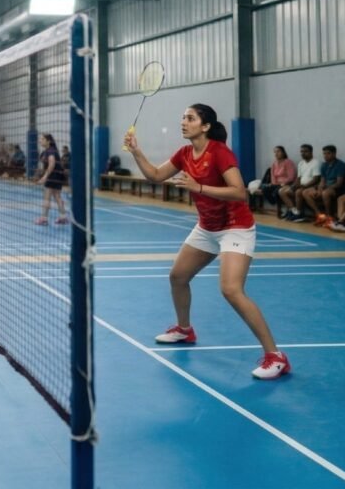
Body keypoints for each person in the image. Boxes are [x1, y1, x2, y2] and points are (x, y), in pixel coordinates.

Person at [123, 103, 289, 380]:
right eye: (183, 118)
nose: (183, 122)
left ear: (206, 125)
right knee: (177, 276)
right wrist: (136, 151)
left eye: (190, 118)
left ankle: (276, 356)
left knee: (231, 290)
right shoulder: (185, 153)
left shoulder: (219, 152)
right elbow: (154, 175)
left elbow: (240, 193)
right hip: (207, 227)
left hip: (235, 227)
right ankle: (185, 330)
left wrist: (197, 188)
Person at [301, 145, 345, 226]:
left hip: (340, 190)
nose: (325, 156)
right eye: (324, 154)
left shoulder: (340, 165)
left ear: (334, 154)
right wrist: (319, 189)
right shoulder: (324, 165)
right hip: (327, 188)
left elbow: (339, 184)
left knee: (325, 193)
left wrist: (323, 190)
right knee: (305, 192)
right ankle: (320, 215)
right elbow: (322, 181)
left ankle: (329, 216)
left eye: (328, 153)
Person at [35, 133, 69, 225]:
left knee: (47, 197)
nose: (40, 140)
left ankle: (44, 219)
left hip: (53, 176)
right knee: (57, 197)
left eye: (42, 139)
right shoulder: (48, 151)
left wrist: (45, 177)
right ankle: (63, 217)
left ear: (48, 141)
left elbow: (52, 163)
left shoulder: (50, 151)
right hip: (58, 175)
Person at [280, 144, 320, 222]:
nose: (303, 153)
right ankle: (293, 211)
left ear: (311, 152)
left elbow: (316, 179)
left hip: (311, 186)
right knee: (282, 191)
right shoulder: (301, 163)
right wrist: (294, 185)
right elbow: (298, 178)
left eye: (305, 151)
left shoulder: (316, 162)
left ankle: (299, 214)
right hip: (301, 186)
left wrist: (304, 186)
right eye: (301, 152)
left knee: (298, 192)